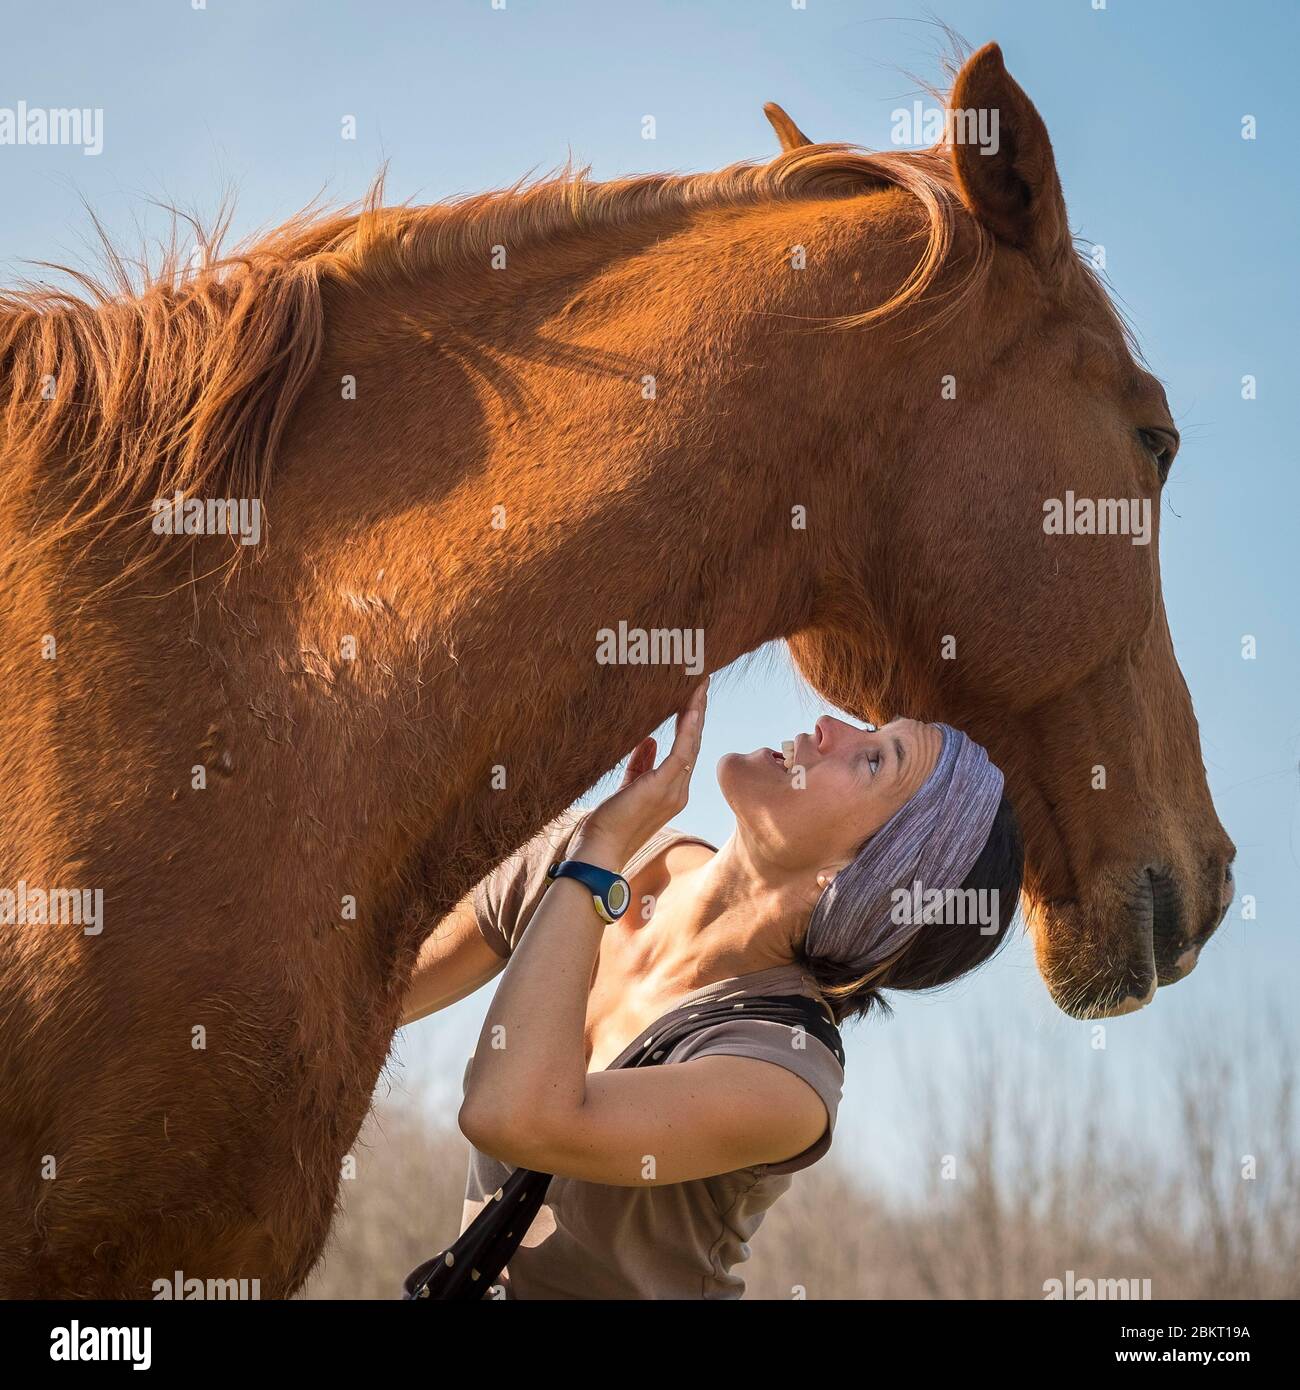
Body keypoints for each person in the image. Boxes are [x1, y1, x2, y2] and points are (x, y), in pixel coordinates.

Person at [402, 678, 1023, 1298]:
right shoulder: (602, 859)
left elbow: (511, 1115)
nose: (833, 726)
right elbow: (353, 1008)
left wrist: (596, 856)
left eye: (874, 760)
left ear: (860, 878)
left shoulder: (785, 1074)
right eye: (872, 730)